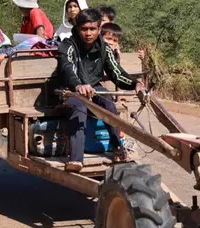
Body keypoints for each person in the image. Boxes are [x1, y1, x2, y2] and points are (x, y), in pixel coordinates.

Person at [56, 9, 145, 172]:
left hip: (94, 88)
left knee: (108, 103)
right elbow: (67, 67)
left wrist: (135, 84)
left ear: (99, 29)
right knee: (80, 106)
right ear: (77, 28)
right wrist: (78, 85)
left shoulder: (104, 48)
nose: (88, 33)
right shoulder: (68, 45)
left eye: (92, 29)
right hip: (68, 90)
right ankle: (76, 159)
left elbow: (116, 72)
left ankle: (118, 148)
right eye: (84, 29)